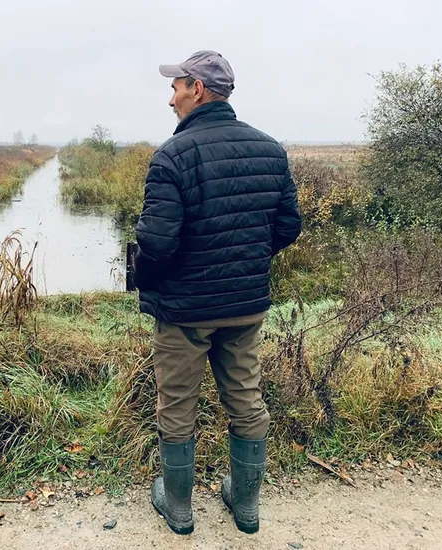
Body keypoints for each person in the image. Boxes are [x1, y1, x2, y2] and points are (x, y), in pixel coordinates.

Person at [134, 51, 302, 535]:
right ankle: (245, 507)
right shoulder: (270, 149)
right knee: (246, 400)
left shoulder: (173, 155)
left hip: (185, 310)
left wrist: (148, 279)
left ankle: (180, 508)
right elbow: (289, 225)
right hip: (244, 307)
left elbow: (157, 242)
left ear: (198, 90)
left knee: (177, 404)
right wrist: (246, 259)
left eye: (176, 87)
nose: (170, 98)